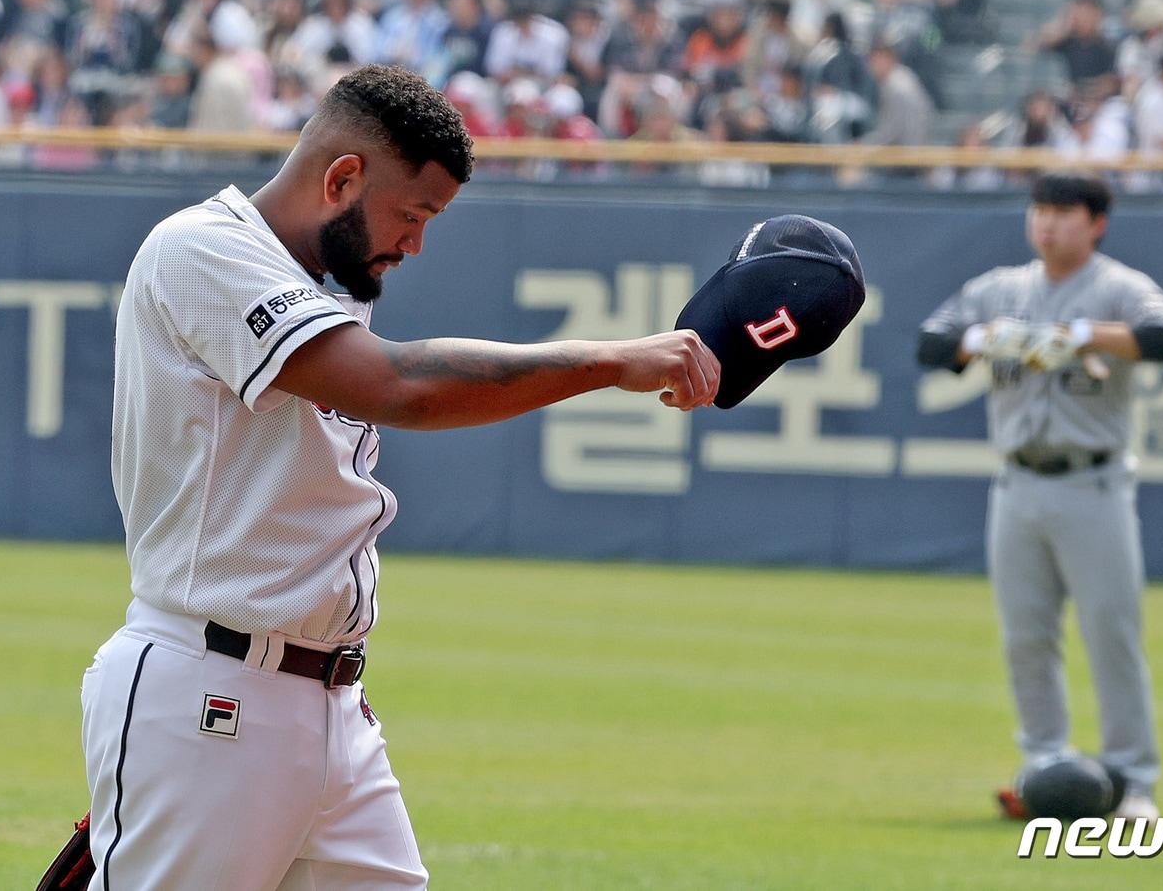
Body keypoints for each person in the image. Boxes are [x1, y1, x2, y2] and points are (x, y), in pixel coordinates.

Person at [84, 64, 719, 890]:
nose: (416, 241)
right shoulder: (203, 249)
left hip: (328, 703)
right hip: (214, 699)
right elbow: (399, 387)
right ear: (343, 177)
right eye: (412, 213)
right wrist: (610, 361)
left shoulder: (321, 282)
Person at [915, 173, 1163, 823]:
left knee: (1110, 632)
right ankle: (1044, 766)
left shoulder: (1119, 286)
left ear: (1096, 223)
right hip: (1016, 482)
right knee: (1025, 637)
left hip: (1093, 481)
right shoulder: (1001, 289)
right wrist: (982, 339)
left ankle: (1132, 782)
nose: (1048, 224)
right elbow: (931, 343)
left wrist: (1088, 335)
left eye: (1065, 213)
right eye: (1040, 211)